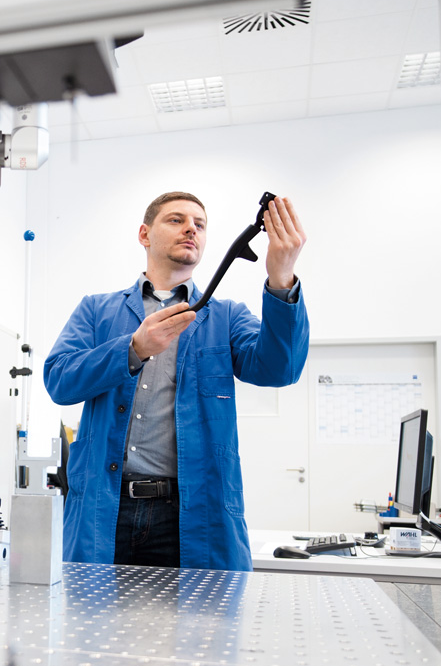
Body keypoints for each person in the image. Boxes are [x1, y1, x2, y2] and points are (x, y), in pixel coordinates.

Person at [42, 191, 308, 570]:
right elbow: (59, 379)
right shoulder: (97, 311)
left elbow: (280, 368)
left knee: (200, 628)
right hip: (107, 509)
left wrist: (281, 275)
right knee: (94, 625)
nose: (191, 229)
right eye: (176, 219)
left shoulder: (226, 317)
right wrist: (132, 348)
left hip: (190, 514)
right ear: (144, 234)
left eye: (199, 224)